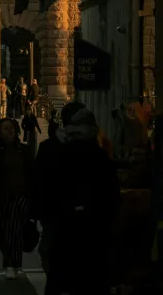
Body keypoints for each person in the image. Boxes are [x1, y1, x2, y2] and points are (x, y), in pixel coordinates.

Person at [31, 101, 120, 295]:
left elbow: (38, 183)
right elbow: (112, 196)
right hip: (93, 230)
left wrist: (38, 213)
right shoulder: (100, 156)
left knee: (58, 270)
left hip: (59, 224)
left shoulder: (52, 150)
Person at [0, 117, 34, 279]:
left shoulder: (24, 150)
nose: (10, 131)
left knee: (16, 230)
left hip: (20, 195)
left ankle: (13, 264)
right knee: (3, 232)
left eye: (11, 128)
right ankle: (11, 262)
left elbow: (31, 174)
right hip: (2, 196)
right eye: (5, 129)